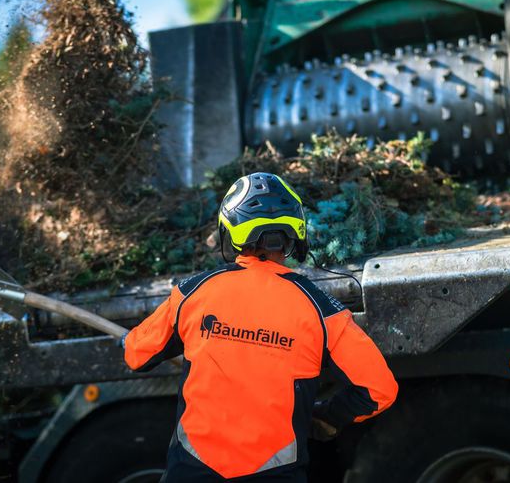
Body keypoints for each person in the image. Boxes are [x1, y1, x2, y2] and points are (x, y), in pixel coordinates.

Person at [123, 172, 398, 482]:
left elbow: (136, 354)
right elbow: (379, 389)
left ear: (230, 231)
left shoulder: (192, 293)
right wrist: (325, 415)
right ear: (296, 233)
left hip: (193, 471)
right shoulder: (321, 311)